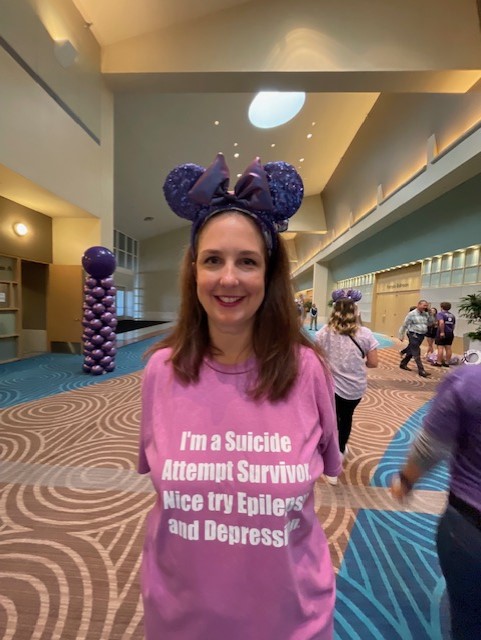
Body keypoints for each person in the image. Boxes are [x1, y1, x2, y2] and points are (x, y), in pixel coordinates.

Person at [138, 153, 342, 640]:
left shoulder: (308, 369)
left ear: (269, 275)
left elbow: (328, 469)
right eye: (212, 260)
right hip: (181, 620)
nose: (228, 278)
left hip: (291, 621)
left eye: (247, 261)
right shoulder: (160, 371)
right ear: (193, 272)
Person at [391, 365, 481, 640]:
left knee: (469, 622)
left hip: (469, 527)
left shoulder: (469, 382)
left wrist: (406, 480)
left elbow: (430, 446)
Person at [316, 289, 379, 485]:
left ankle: (329, 464)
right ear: (355, 311)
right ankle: (341, 451)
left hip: (330, 386)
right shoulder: (366, 334)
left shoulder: (323, 333)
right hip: (354, 387)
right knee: (346, 419)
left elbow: (317, 359)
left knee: (330, 421)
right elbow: (373, 363)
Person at [399, 299, 431, 377]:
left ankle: (403, 364)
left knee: (411, 349)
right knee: (416, 351)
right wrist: (401, 334)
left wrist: (431, 314)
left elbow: (431, 323)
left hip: (421, 335)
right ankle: (421, 370)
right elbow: (405, 324)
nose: (425, 307)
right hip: (413, 334)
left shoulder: (425, 314)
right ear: (419, 305)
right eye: (424, 305)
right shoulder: (411, 314)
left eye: (426, 306)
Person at [434, 301, 456, 367]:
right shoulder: (452, 315)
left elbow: (441, 322)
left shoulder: (440, 314)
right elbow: (453, 325)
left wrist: (442, 332)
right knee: (448, 347)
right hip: (450, 333)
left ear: (442, 307)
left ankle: (439, 362)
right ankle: (447, 362)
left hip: (442, 332)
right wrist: (451, 331)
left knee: (440, 347)